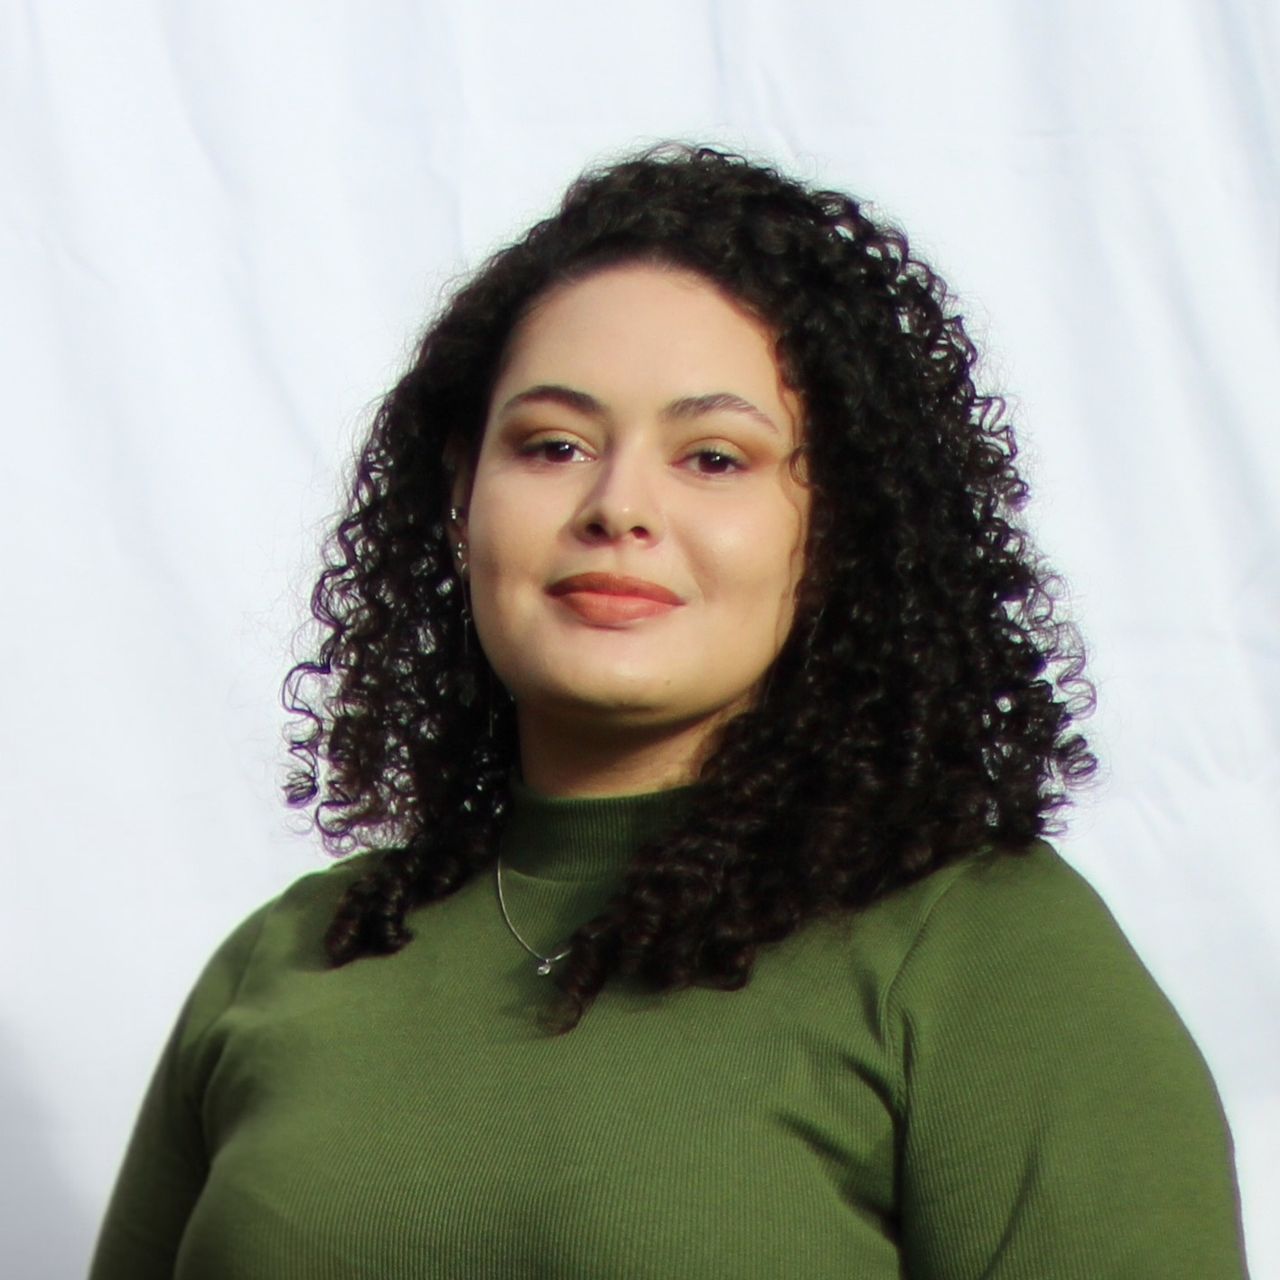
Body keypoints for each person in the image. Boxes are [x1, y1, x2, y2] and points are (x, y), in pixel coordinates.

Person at [90, 144, 1249, 1279]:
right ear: (460, 493)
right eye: (552, 444)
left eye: (713, 457)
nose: (618, 505)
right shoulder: (290, 956)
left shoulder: (982, 952)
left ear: (832, 525)